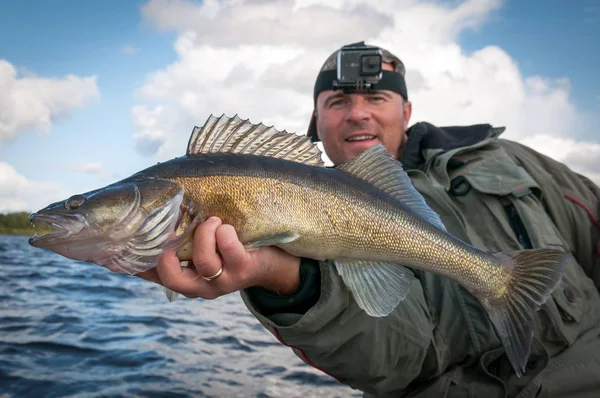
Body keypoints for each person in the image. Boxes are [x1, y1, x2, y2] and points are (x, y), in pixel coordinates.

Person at [138, 42, 600, 397]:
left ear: (407, 111)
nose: (357, 113)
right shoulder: (303, 203)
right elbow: (397, 358)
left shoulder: (511, 159)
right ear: (315, 122)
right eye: (337, 102)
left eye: (376, 97)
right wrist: (292, 283)